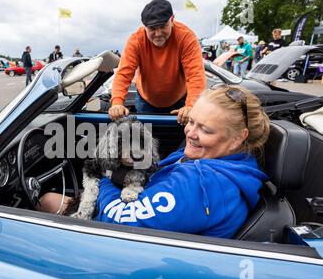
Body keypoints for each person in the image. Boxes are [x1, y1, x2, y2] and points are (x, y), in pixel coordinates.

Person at [38, 86, 270, 239]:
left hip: (126, 242)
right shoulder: (208, 159)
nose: (190, 132)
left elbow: (119, 219)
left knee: (47, 201)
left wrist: (105, 178)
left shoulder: (203, 186)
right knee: (52, 199)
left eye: (205, 129)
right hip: (144, 226)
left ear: (238, 138)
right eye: (191, 122)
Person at [108, 0, 206, 125]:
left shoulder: (186, 37)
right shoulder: (136, 40)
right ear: (145, 27)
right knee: (145, 140)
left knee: (178, 140)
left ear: (172, 20)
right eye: (152, 29)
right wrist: (117, 103)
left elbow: (196, 75)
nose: (158, 33)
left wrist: (191, 105)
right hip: (145, 101)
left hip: (180, 103)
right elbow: (123, 74)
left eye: (163, 26)